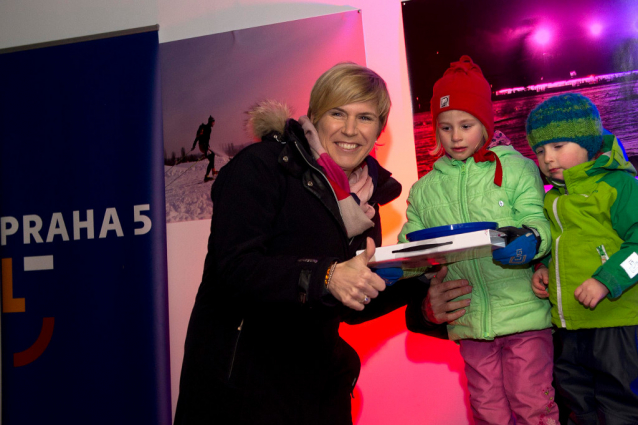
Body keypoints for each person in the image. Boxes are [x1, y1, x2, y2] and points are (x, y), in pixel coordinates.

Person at [174, 63, 427, 425]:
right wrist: (326, 276)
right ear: (315, 116)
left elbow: (353, 302)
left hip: (317, 394)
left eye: (365, 117)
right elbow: (234, 269)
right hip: (243, 395)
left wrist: (420, 277)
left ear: (379, 129)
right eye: (337, 113)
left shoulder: (363, 199)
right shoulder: (262, 167)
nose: (350, 130)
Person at [399, 56, 558, 424]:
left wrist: (531, 240)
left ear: (484, 124)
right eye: (445, 127)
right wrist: (398, 263)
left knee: (533, 404)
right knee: (487, 411)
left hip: (524, 317)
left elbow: (539, 219)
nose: (455, 137)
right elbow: (413, 246)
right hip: (470, 324)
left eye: (466, 125)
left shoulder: (516, 167)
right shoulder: (423, 190)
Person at [527, 93, 638, 424]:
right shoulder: (552, 199)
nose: (548, 158)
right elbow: (559, 249)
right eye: (540, 150)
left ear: (588, 141)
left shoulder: (619, 185)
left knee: (622, 407)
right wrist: (542, 268)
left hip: (616, 323)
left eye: (559, 146)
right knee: (577, 404)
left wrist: (607, 280)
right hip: (568, 327)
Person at [191, 115, 217, 181]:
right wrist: (205, 149)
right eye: (213, 122)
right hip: (203, 146)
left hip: (204, 146)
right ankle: (206, 176)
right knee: (211, 158)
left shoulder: (206, 128)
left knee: (212, 155)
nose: (214, 123)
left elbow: (198, 138)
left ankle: (213, 171)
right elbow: (200, 138)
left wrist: (194, 145)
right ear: (210, 122)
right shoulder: (207, 128)